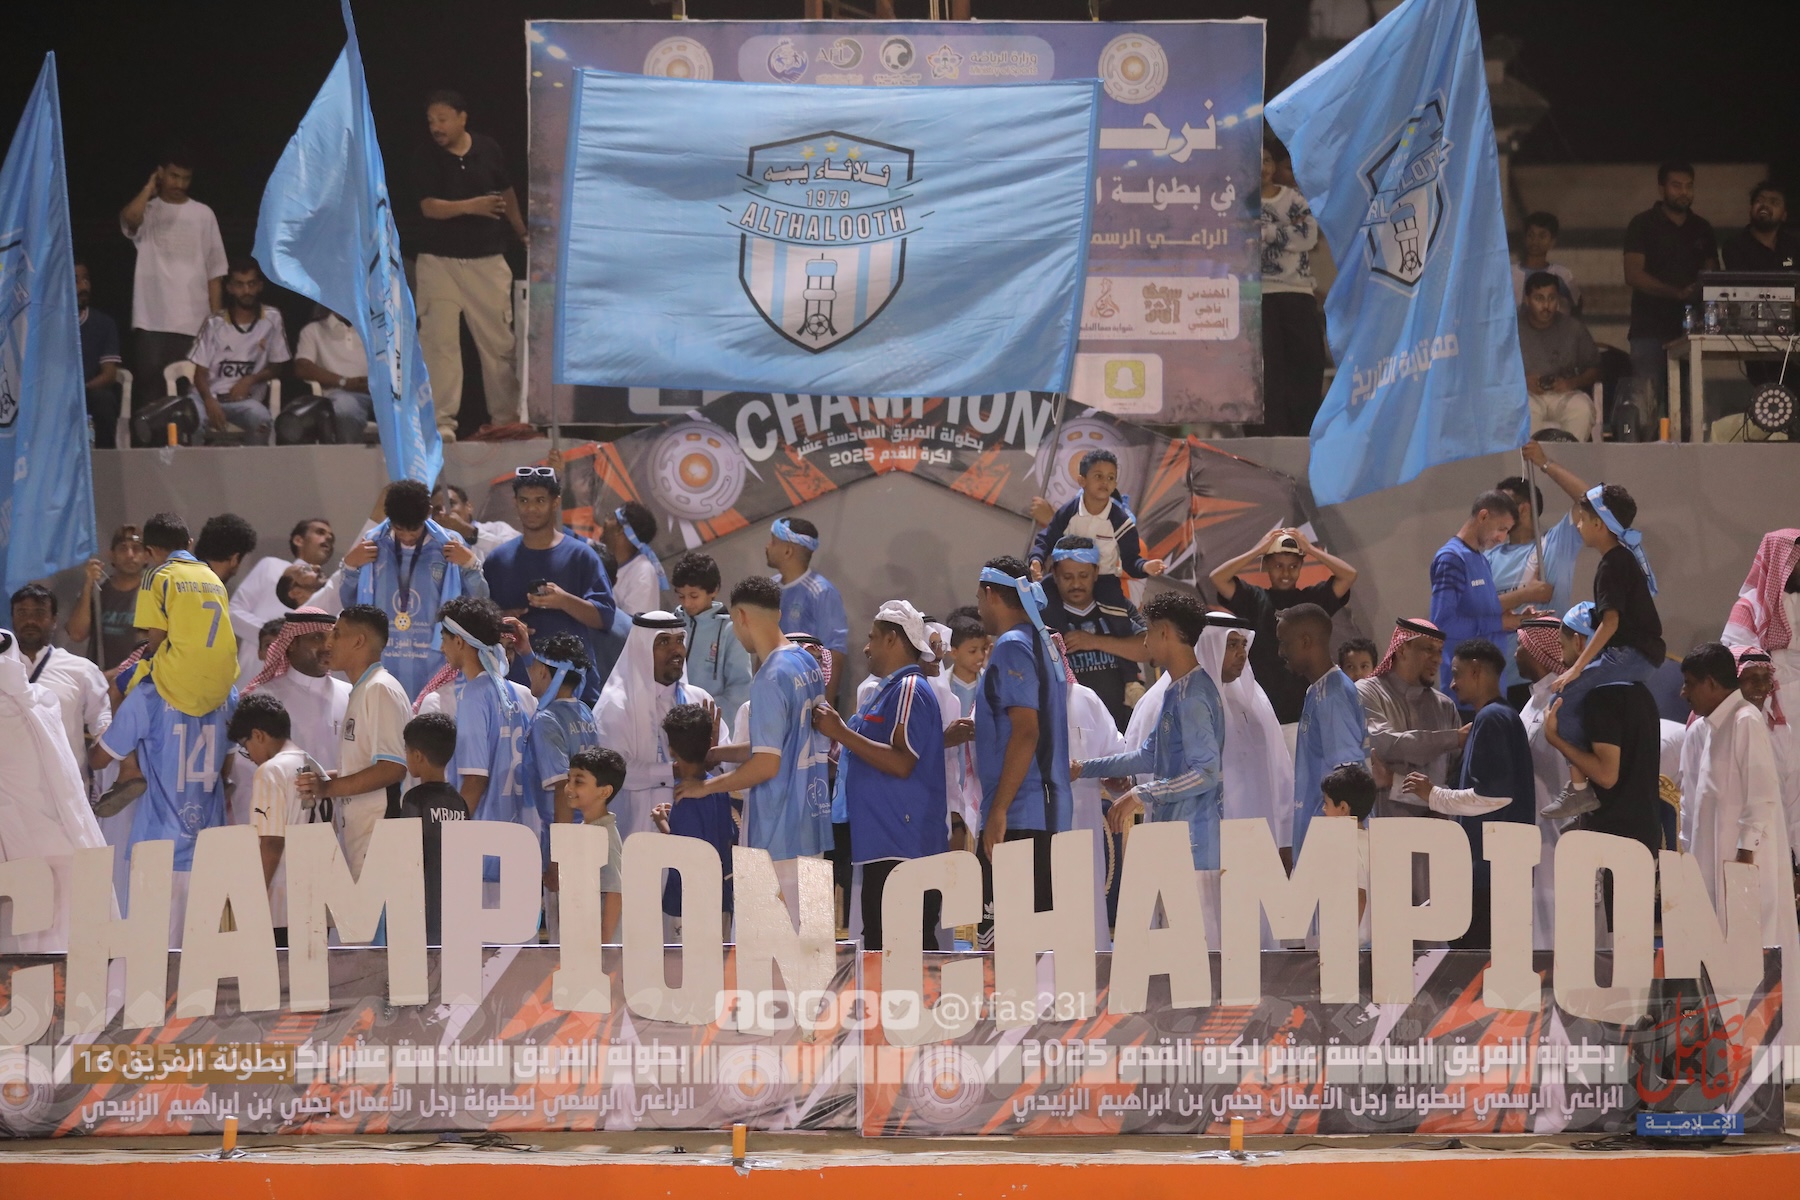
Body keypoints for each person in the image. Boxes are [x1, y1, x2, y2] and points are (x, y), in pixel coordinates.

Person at [1076, 592, 1225, 946]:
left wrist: (1140, 794)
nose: (1144, 643)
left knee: (1195, 952)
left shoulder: (1193, 695)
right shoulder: (1177, 690)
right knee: (1170, 950)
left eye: (1148, 633)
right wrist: (1082, 768)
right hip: (1173, 839)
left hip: (1195, 845)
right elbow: (1148, 756)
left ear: (1165, 634)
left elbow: (1206, 772)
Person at [678, 575, 829, 925]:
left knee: (768, 949)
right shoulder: (806, 662)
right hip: (811, 827)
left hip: (777, 834)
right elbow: (779, 745)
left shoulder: (769, 677)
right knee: (810, 946)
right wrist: (719, 753)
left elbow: (766, 765)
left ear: (741, 617)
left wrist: (705, 787)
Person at [811, 601, 949, 951]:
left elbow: (903, 762)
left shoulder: (909, 688)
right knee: (881, 950)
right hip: (884, 845)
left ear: (891, 640)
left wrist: (841, 733)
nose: (865, 647)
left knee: (905, 953)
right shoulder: (888, 691)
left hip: (905, 849)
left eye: (872, 637)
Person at [1675, 642, 1800, 1015]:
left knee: (1755, 963)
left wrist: (1743, 867)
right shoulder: (1708, 728)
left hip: (1744, 873)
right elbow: (1693, 804)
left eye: (1690, 683)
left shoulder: (1746, 720)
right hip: (1715, 870)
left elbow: (1761, 797)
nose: (1683, 693)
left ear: (1711, 683)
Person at [1541, 485, 1665, 817]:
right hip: (1642, 654)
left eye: (1582, 519)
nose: (1578, 526)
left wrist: (1577, 669)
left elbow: (1610, 622)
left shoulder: (1612, 564)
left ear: (1599, 523)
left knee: (1560, 704)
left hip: (1631, 653)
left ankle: (1582, 787)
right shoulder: (1622, 559)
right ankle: (1582, 784)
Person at [1403, 639, 1533, 949]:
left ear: (1476, 671)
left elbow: (1495, 796)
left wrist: (1434, 795)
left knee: (1475, 963)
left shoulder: (1492, 719)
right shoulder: (1496, 717)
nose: (1452, 684)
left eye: (1457, 674)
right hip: (1496, 874)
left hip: (1489, 877)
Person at [413, 89, 524, 441]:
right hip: (439, 262)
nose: (436, 127)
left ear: (462, 118)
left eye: (443, 119)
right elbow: (429, 207)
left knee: (498, 344)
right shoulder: (426, 156)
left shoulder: (488, 149)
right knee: (439, 343)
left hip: (487, 262)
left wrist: (521, 230)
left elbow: (506, 192)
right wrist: (471, 205)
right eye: (431, 121)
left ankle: (506, 419)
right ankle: (440, 422)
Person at [972, 556, 1073, 919]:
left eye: (979, 598)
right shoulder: (1041, 642)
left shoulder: (1011, 645)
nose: (979, 608)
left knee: (1006, 941)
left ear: (990, 594)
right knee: (1039, 940)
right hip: (1045, 813)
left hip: (1019, 815)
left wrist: (998, 810)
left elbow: (1027, 730)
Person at [1, 629, 109, 954]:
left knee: (26, 954)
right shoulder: (42, 702)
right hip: (64, 842)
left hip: (23, 856)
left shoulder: (40, 703)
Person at [339, 480, 487, 699]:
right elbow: (351, 607)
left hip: (435, 663)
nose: (407, 537)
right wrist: (350, 567)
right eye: (400, 529)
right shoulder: (372, 545)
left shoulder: (449, 545)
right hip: (383, 660)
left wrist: (470, 565)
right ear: (389, 517)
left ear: (428, 513)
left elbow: (479, 603)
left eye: (414, 530)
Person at [1541, 606, 1665, 863]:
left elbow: (1607, 775)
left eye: (1562, 647)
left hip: (1615, 838)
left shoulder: (1602, 698)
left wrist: (1556, 739)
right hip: (1641, 834)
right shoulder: (1641, 691)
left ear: (1578, 641)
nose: (1562, 659)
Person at [296, 606, 410, 881]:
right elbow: (364, 766)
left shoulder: (380, 689)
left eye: (336, 633)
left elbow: (392, 768)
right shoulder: (363, 689)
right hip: (360, 837)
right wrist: (324, 779)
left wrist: (328, 788)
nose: (328, 642)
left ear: (359, 641)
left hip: (380, 837)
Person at [483, 467, 614, 702]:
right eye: (524, 501)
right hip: (515, 689)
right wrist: (503, 620)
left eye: (540, 500)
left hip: (573, 690)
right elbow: (481, 623)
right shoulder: (497, 560)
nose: (531, 508)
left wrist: (563, 601)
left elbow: (604, 618)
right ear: (515, 503)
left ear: (556, 502)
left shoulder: (581, 556)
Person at [119, 149, 227, 423]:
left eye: (186, 178)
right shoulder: (149, 209)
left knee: (191, 398)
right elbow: (130, 219)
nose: (179, 184)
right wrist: (149, 188)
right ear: (161, 173)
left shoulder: (203, 214)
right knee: (151, 396)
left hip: (194, 323)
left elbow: (215, 273)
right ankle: (154, 448)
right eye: (174, 176)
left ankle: (189, 446)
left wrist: (215, 322)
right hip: (152, 321)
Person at [1211, 528, 1357, 724]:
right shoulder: (1253, 599)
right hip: (1263, 711)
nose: (1286, 573)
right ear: (1266, 565)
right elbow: (1218, 578)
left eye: (1293, 566)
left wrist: (1310, 549)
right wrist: (1257, 550)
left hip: (1308, 709)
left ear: (1301, 566)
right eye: (1278, 565)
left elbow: (1349, 575)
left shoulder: (1312, 601)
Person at [596, 611, 713, 839]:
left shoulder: (699, 699)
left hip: (691, 833)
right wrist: (674, 770)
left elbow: (719, 766)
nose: (676, 650)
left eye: (680, 640)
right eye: (664, 642)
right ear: (642, 649)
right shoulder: (616, 704)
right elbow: (615, 772)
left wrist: (713, 754)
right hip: (634, 832)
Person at [1623, 162, 1718, 419]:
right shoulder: (1642, 224)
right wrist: (1676, 293)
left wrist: (1699, 292)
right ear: (1662, 188)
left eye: (1689, 186)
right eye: (1676, 186)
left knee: (1690, 405)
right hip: (1649, 329)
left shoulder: (1702, 228)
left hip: (1690, 330)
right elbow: (1633, 274)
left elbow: (1712, 274)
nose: (1683, 192)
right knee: (1646, 405)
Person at [1278, 603, 1368, 860]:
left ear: (1306, 641)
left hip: (1331, 845)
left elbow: (1348, 776)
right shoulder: (1320, 689)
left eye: (1284, 643)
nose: (1280, 652)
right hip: (1319, 835)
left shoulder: (1332, 697)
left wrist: (1335, 849)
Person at [1199, 610, 1294, 848]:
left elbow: (1280, 767)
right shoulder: (1181, 700)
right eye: (1232, 645)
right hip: (1206, 835)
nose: (1242, 654)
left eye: (1243, 644)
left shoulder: (1255, 699)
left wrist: (1286, 837)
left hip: (1258, 832)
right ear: (1210, 646)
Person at [440, 596, 535, 829]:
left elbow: (475, 780)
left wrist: (452, 833)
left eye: (443, 639)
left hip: (485, 833)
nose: (441, 648)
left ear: (459, 641)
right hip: (518, 827)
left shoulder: (473, 696)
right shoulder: (517, 693)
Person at [1028, 449, 1167, 607]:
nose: (1104, 482)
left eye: (1110, 478)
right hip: (1064, 581)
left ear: (1114, 485)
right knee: (1037, 602)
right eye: (1098, 476)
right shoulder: (1068, 512)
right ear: (1082, 481)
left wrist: (1145, 566)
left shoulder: (1122, 524)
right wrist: (1037, 559)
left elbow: (1132, 561)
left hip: (1102, 586)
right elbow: (1047, 540)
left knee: (1119, 617)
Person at [1356, 617, 1464, 818]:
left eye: (1439, 651)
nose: (1437, 659)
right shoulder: (1367, 692)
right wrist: (1454, 738)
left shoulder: (1445, 706)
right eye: (1428, 649)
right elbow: (1388, 745)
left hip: (1439, 826)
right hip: (1386, 825)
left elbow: (1455, 777)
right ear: (1402, 650)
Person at [1429, 489, 1532, 694]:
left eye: (1507, 531)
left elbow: (1484, 621)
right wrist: (1499, 622)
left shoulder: (1481, 560)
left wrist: (1515, 621)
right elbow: (1442, 625)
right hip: (1467, 691)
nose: (1502, 538)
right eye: (1501, 529)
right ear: (1483, 516)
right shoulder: (1452, 558)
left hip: (1492, 687)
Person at [226, 692, 308, 947]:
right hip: (314, 900)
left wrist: (249, 906)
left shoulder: (271, 771)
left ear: (258, 735)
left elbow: (271, 844)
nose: (249, 755)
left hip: (281, 905)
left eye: (246, 746)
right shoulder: (312, 765)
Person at [1040, 535, 1147, 731]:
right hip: (1066, 730)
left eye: (1083, 575)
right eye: (1067, 577)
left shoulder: (1116, 607)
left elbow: (1149, 649)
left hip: (1119, 728)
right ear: (1054, 574)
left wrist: (1094, 642)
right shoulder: (1041, 614)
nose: (1076, 584)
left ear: (1096, 572)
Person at [1259, 137, 1327, 437]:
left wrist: (1265, 232)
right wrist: (1286, 231)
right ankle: (1269, 440)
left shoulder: (1294, 198)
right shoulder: (1234, 201)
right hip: (1257, 296)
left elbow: (1307, 237)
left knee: (1304, 368)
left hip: (1297, 293)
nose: (1262, 167)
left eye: (1266, 160)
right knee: (1267, 376)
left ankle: (1303, 437)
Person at [1514, 617, 1572, 949]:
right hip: (1533, 826)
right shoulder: (1532, 701)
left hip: (1563, 826)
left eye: (1520, 645)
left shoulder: (1564, 698)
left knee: (1564, 915)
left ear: (1537, 650)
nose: (1516, 653)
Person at [12, 584, 111, 776]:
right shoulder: (3, 667)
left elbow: (101, 719)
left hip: (65, 784)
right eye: (22, 613)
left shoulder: (81, 670)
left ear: (54, 620)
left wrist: (102, 740)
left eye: (39, 613)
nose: (30, 620)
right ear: (13, 619)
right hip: (10, 786)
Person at [188, 258, 291, 443]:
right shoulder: (214, 322)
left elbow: (277, 367)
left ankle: (253, 463)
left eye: (251, 284)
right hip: (207, 398)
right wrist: (209, 401)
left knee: (261, 420)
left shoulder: (272, 318)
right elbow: (199, 374)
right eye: (240, 285)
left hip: (244, 402)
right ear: (230, 288)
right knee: (192, 420)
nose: (246, 291)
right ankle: (197, 463)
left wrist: (250, 379)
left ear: (260, 286)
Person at [653, 708, 733, 942]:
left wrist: (662, 823)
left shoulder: (686, 796)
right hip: (720, 900)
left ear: (671, 749)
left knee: (681, 965)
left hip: (686, 906)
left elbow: (685, 855)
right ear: (709, 742)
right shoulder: (718, 787)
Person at [241, 608, 350, 769]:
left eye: (331, 637)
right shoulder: (262, 697)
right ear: (291, 644)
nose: (328, 646)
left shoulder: (350, 693)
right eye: (317, 637)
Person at [764, 517, 849, 706]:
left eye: (773, 542)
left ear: (788, 551)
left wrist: (825, 707)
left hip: (808, 698)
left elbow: (834, 653)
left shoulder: (821, 591)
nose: (767, 546)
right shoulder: (770, 587)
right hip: (774, 694)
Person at [397, 712, 465, 946]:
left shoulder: (414, 800)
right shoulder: (459, 802)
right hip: (454, 905)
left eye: (406, 751)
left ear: (417, 756)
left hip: (423, 905)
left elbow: (407, 856)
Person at [1731, 645, 1800, 856]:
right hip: (1731, 842)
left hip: (1775, 843)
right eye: (1751, 679)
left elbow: (1793, 799)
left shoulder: (1781, 731)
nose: (1761, 687)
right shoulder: (1718, 729)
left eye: (1765, 678)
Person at [1518, 272, 1601, 441]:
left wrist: (1572, 383)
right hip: (1526, 393)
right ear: (1527, 300)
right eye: (1539, 298)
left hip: (1564, 393)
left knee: (1583, 409)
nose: (1546, 305)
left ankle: (1569, 457)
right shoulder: (1512, 329)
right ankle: (1535, 457)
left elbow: (1595, 369)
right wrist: (1521, 381)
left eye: (1552, 298)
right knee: (1521, 413)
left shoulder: (1573, 329)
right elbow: (1494, 371)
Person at [672, 551, 752, 723]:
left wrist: (703, 718)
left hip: (713, 725)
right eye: (681, 596)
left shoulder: (731, 630)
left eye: (694, 596)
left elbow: (740, 689)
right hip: (673, 723)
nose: (686, 603)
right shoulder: (671, 625)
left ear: (714, 590)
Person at [560, 747, 628, 942]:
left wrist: (603, 943)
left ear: (605, 791)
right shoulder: (589, 829)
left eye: (579, 782)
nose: (569, 788)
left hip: (601, 946)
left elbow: (615, 892)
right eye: (569, 780)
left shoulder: (604, 836)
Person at [1723, 529, 1800, 683]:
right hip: (1769, 693)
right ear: (1780, 562)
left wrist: (1779, 658)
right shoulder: (1748, 607)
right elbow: (1746, 665)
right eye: (1798, 560)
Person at [67, 525, 148, 669]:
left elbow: (154, 648)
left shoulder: (154, 593)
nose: (130, 554)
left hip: (138, 678)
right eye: (123, 548)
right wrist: (88, 585)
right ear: (112, 555)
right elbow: (76, 634)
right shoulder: (98, 591)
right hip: (98, 678)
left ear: (146, 556)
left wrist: (115, 675)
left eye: (136, 548)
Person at [292, 307, 375, 444]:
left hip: (380, 394)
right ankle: (349, 456)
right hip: (342, 393)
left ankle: (396, 458)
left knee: (405, 408)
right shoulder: (314, 330)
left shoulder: (377, 328)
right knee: (345, 409)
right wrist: (345, 382)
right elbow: (302, 367)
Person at [1318, 762, 1378, 947]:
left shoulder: (1346, 845)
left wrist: (1342, 945)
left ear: (1343, 808)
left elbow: (1359, 896)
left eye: (1326, 804)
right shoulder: (1374, 841)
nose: (1323, 810)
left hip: (1354, 948)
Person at [941, 615, 988, 845]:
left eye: (983, 650)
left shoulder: (991, 684)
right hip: (951, 782)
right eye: (972, 651)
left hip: (983, 780)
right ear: (954, 652)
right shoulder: (941, 686)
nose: (980, 656)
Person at [75, 260, 125, 448]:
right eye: (76, 280)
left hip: (88, 390)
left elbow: (109, 374)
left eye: (86, 279)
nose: (83, 286)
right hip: (57, 394)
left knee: (104, 400)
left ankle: (106, 457)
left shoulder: (104, 324)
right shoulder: (50, 324)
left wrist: (83, 388)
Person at [599, 501, 666, 615]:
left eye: (611, 517)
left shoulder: (643, 573)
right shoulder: (604, 559)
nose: (605, 521)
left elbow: (633, 622)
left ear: (620, 529)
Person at [1721, 181, 1800, 273]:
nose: (1765, 205)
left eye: (1774, 202)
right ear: (1751, 209)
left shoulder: (1793, 245)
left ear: (1784, 215)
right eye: (1759, 201)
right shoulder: (1735, 246)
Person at [431, 482, 521, 563]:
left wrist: (467, 531)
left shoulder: (497, 529)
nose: (443, 512)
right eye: (437, 510)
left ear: (468, 507)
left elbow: (516, 553)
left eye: (450, 504)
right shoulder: (433, 550)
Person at [1511, 212, 1580, 313]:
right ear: (1524, 238)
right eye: (1531, 235)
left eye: (1542, 236)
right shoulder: (1509, 273)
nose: (1535, 241)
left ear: (1552, 241)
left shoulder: (1562, 274)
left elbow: (1577, 306)